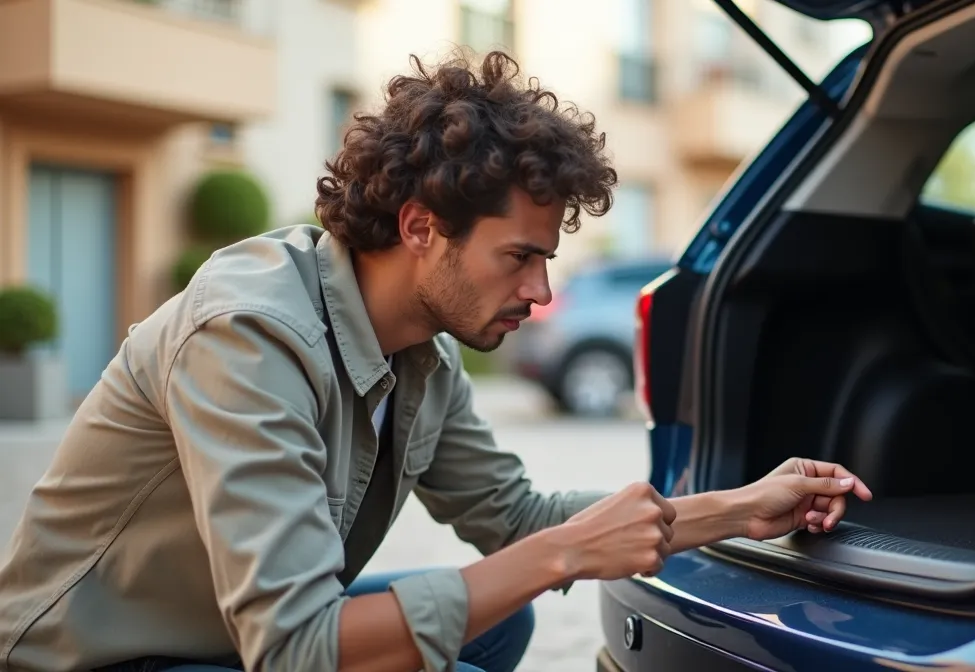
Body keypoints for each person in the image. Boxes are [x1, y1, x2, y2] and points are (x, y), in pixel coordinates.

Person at [0, 51, 873, 672]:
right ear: (422, 228)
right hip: (100, 655)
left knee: (499, 622)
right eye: (519, 257)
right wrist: (564, 556)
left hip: (228, 633)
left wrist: (746, 505)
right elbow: (300, 651)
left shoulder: (422, 353)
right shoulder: (250, 334)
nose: (540, 292)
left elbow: (516, 515)